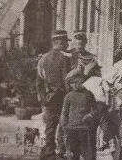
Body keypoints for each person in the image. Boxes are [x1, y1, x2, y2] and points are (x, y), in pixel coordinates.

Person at [37, 30, 73, 160]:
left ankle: (49, 153)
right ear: (60, 42)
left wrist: (42, 98)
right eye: (65, 42)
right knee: (64, 126)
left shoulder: (43, 59)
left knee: (50, 127)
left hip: (48, 98)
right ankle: (62, 153)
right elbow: (67, 80)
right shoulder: (65, 59)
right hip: (63, 97)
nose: (67, 45)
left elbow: (39, 80)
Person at [60, 68, 99, 160]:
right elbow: (64, 113)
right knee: (73, 154)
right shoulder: (68, 96)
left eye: (78, 82)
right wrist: (64, 126)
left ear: (82, 82)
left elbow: (96, 110)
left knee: (88, 154)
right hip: (71, 129)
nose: (75, 85)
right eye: (72, 83)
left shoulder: (89, 94)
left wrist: (90, 115)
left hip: (85, 129)